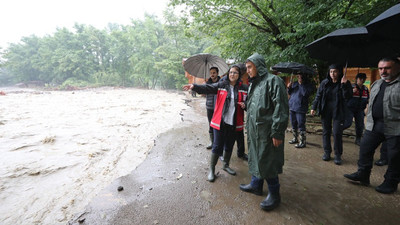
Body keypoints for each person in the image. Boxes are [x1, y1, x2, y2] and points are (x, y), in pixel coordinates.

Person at [239, 53, 289, 211]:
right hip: (255, 130)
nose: (248, 71)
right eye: (246, 68)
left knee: (268, 161)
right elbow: (256, 105)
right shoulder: (254, 83)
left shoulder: (273, 81)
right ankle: (256, 185)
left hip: (268, 132)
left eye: (249, 67)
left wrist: (277, 132)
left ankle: (275, 195)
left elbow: (281, 108)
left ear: (258, 65)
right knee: (255, 157)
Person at [344, 57, 400, 194]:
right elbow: (370, 101)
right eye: (380, 68)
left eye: (387, 68)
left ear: (397, 68)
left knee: (395, 157)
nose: (383, 71)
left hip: (395, 127)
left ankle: (390, 183)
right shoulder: (376, 84)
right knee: (365, 148)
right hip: (374, 125)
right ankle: (363, 174)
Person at [183, 64, 248, 182]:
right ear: (228, 74)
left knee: (229, 145)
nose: (232, 74)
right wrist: (194, 86)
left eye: (235, 73)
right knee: (217, 145)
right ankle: (211, 170)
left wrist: (246, 105)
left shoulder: (244, 88)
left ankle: (226, 165)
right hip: (220, 122)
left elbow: (249, 103)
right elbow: (208, 88)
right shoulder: (222, 85)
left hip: (234, 122)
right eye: (231, 72)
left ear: (239, 75)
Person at [310, 64, 352, 165]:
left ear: (339, 72)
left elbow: (348, 97)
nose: (333, 74)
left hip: (338, 111)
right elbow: (318, 96)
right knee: (326, 132)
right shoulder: (325, 83)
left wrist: (345, 86)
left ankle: (338, 155)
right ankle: (327, 152)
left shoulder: (345, 82)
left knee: (337, 133)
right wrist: (313, 107)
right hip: (326, 111)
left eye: (335, 71)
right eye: (331, 71)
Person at [287, 73, 315, 148]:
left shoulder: (309, 85)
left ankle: (302, 141)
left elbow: (305, 93)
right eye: (298, 76)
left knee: (301, 124)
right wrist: (289, 87)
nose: (299, 77)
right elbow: (290, 93)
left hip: (301, 107)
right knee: (293, 124)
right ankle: (295, 138)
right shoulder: (295, 83)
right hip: (292, 106)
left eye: (300, 76)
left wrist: (301, 84)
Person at [343, 73, 370, 146]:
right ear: (357, 79)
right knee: (348, 123)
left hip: (360, 109)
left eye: (363, 78)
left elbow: (367, 99)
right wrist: (351, 92)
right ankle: (338, 131)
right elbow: (344, 96)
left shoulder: (365, 89)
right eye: (360, 78)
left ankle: (358, 139)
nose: (362, 80)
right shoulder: (351, 87)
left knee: (360, 125)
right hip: (350, 108)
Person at [205, 67, 221, 149]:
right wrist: (204, 87)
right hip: (209, 107)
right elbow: (203, 93)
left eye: (214, 73)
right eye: (211, 73)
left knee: (218, 126)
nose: (212, 74)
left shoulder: (221, 83)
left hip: (218, 108)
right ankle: (212, 142)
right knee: (210, 125)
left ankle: (218, 143)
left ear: (217, 73)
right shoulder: (207, 83)